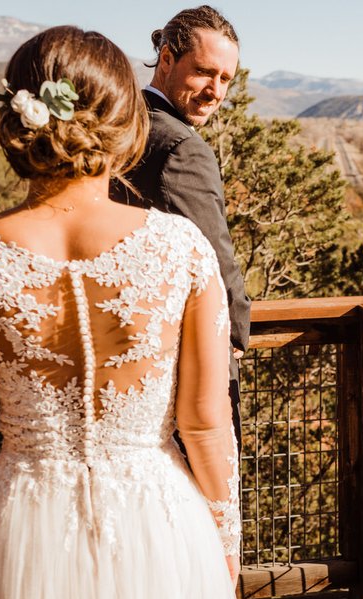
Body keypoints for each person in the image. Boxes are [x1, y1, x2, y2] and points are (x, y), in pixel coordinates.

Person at [0, 26, 247, 599]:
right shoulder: (182, 250)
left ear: (18, 119)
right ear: (129, 126)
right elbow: (205, 425)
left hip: (22, 526)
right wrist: (224, 541)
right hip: (158, 521)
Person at [110, 6, 250, 447]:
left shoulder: (119, 125)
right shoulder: (181, 148)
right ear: (166, 59)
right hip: (183, 365)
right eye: (205, 72)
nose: (215, 91)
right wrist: (237, 334)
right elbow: (215, 257)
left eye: (226, 79)